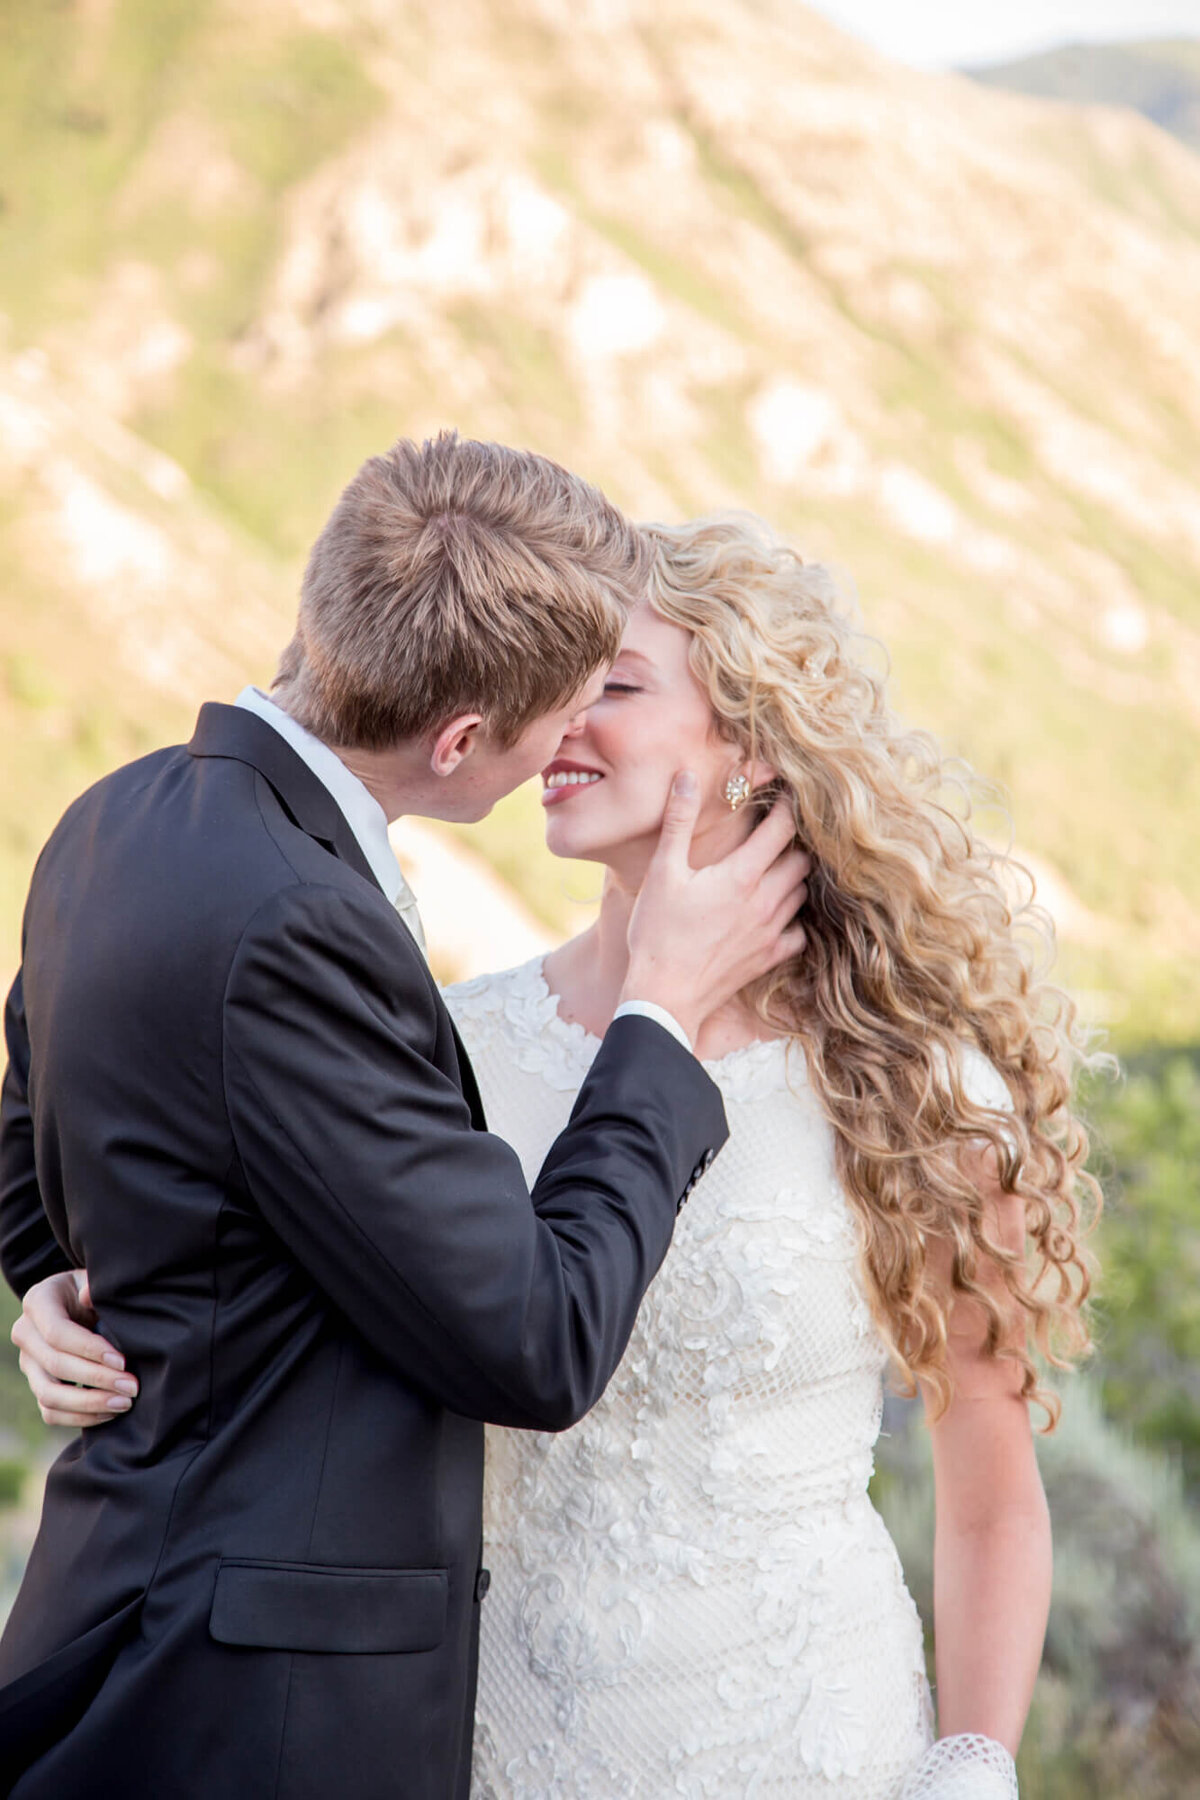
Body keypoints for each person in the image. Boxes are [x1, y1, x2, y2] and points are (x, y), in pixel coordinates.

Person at [15, 513, 1097, 1799]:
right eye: (560, 688)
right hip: (488, 1735)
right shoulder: (454, 1037)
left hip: (812, 1738)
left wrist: (974, 1764)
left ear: (749, 738)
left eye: (617, 688)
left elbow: (989, 1490)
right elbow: (237, 1279)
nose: (561, 723)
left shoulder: (914, 1085)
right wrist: (68, 1296)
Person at [0, 441, 810, 1800]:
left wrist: (65, 1287)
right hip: (241, 1716)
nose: (571, 745)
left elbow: (25, 1145)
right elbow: (537, 1343)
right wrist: (660, 1015)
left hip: (124, 1634)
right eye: (563, 714)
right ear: (455, 744)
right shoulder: (300, 922)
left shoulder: (116, 817)